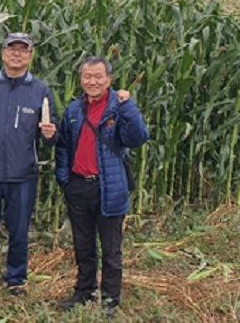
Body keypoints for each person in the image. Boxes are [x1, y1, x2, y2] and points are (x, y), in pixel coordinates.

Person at [0, 32, 57, 296]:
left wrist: (51, 135)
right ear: (3, 53)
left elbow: (52, 132)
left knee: (19, 233)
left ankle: (16, 279)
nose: (17, 54)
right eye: (11, 49)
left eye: (23, 50)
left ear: (30, 55)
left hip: (23, 173)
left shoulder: (40, 90)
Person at [55, 56, 149, 316]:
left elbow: (139, 137)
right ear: (81, 79)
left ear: (109, 79)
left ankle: (110, 299)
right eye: (87, 76)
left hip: (109, 187)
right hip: (78, 187)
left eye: (98, 77)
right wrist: (64, 178)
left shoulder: (117, 108)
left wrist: (128, 105)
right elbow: (63, 145)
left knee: (111, 250)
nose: (92, 81)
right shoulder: (74, 110)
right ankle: (84, 292)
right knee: (83, 246)